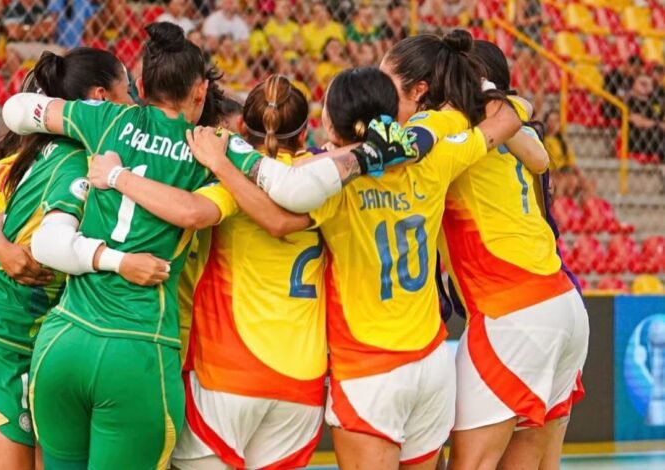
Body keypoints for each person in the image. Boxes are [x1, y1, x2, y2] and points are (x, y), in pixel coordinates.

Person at [185, 34, 522, 468]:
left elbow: (282, 215)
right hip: (432, 360)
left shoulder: (335, 182)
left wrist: (230, 159)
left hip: (370, 369)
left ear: (331, 125)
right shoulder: (435, 152)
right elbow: (505, 116)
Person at [0, 48, 168, 470]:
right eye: (129, 90)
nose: (136, 104)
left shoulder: (97, 160)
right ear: (101, 97)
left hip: (44, 345)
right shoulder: (43, 162)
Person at [88, 75, 327, 470]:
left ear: (239, 131)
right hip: (302, 382)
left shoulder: (227, 180)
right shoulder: (322, 178)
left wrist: (117, 177)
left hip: (228, 372)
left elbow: (191, 211)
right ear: (304, 136)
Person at [437, 40, 588, 470]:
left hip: (512, 311)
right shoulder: (526, 133)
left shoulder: (456, 134)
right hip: (563, 300)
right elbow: (538, 159)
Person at [3, 0, 62, 76]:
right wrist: (38, 28)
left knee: (64, 52)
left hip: (41, 45)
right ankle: (19, 83)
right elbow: (15, 33)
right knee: (10, 52)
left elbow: (49, 30)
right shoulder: (11, 9)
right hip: (20, 45)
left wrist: (24, 29)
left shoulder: (40, 8)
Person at [628, 74, 665, 162]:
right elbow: (638, 121)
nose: (647, 87)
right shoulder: (630, 100)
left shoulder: (655, 102)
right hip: (637, 137)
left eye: (649, 85)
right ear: (634, 85)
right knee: (657, 132)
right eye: (643, 84)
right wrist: (658, 124)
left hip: (656, 137)